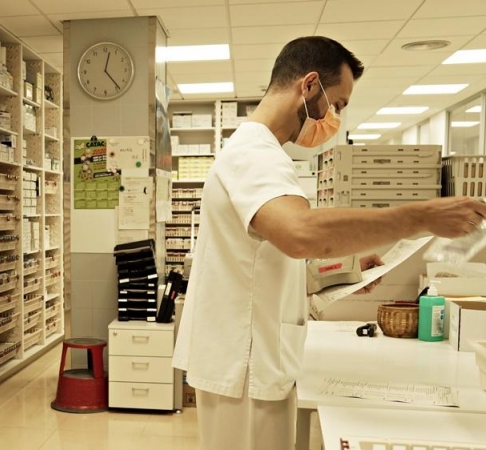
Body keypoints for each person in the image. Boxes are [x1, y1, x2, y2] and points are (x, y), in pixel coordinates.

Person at [171, 36, 486, 450]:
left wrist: (344, 270)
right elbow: (301, 233)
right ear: (309, 85)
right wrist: (418, 216)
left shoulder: (261, 152)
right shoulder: (253, 153)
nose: (334, 118)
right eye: (336, 104)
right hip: (246, 365)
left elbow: (262, 257)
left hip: (254, 357)